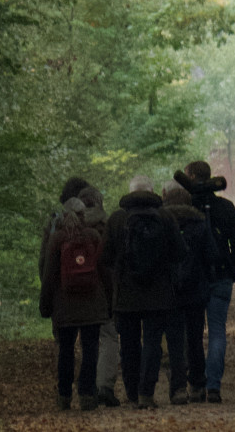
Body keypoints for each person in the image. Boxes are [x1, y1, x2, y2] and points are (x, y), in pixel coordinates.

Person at [101, 175, 184, 409]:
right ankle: (147, 392)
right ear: (151, 192)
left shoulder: (117, 219)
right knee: (152, 342)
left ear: (130, 192)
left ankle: (132, 392)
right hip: (158, 294)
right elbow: (180, 252)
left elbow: (104, 257)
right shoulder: (165, 217)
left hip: (126, 295)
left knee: (128, 344)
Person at [174, 161, 235, 402]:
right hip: (221, 275)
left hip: (194, 278)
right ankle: (214, 385)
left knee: (192, 333)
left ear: (191, 177)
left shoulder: (186, 207)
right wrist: (232, 269)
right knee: (217, 331)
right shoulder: (225, 207)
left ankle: (197, 383)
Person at [38, 196, 110, 409]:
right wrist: (109, 301)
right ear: (82, 215)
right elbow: (104, 271)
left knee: (66, 350)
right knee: (90, 349)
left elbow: (49, 274)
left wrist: (45, 305)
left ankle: (64, 395)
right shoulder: (94, 235)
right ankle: (87, 394)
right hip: (92, 303)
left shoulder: (57, 239)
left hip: (64, 304)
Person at [162, 181, 224, 403]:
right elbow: (213, 255)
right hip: (196, 290)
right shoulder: (199, 224)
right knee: (195, 339)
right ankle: (198, 384)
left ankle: (178, 388)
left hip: (170, 290)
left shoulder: (163, 223)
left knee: (175, 340)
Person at [77, 185, 124, 406]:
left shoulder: (67, 228)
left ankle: (84, 389)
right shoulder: (108, 225)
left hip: (73, 292)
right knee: (108, 337)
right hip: (103, 290)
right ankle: (104, 385)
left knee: (83, 341)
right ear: (99, 203)